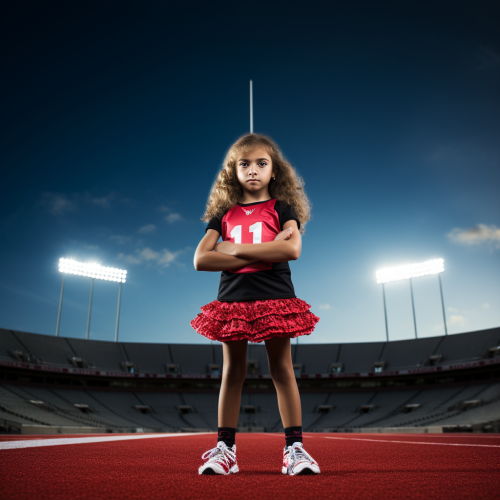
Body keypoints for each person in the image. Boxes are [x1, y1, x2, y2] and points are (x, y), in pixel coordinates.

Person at [191, 133, 320, 476]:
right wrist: (263, 252)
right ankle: (225, 450)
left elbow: (291, 250)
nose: (252, 170)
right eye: (243, 164)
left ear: (274, 170)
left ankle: (295, 449)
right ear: (232, 171)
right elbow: (201, 259)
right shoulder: (223, 214)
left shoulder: (282, 208)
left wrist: (232, 251)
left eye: (261, 163)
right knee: (233, 372)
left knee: (282, 370)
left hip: (276, 296)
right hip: (233, 299)